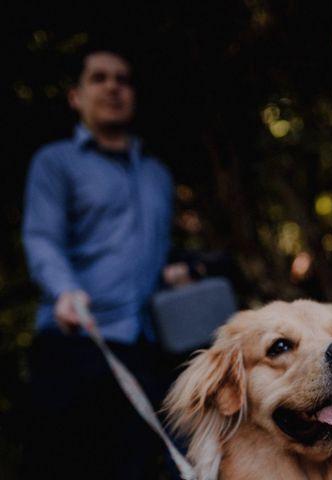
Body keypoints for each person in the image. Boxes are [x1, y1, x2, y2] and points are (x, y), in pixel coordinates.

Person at [21, 46, 178, 479]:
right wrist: (65, 291)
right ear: (76, 96)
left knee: (134, 467)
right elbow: (41, 238)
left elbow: (157, 252)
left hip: (144, 348)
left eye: (123, 79)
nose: (113, 87)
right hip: (76, 341)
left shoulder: (157, 175)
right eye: (99, 78)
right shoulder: (55, 163)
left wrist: (175, 272)